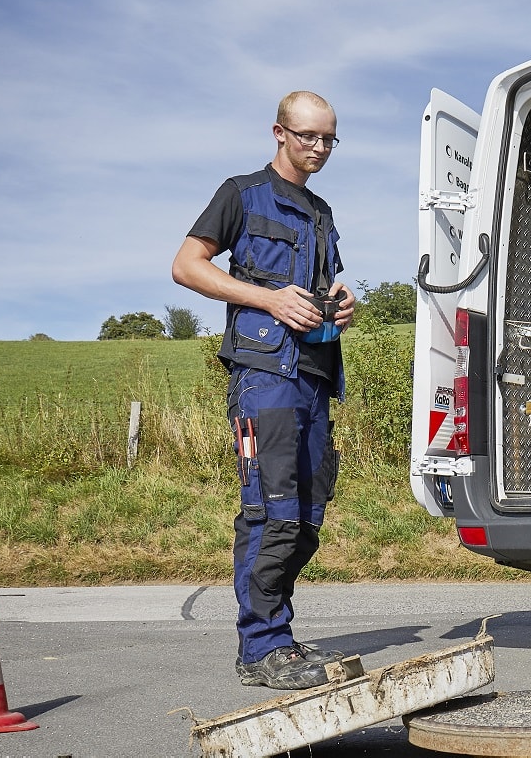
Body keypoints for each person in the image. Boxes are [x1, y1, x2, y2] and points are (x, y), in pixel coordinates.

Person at [172, 91, 356, 690]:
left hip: (313, 376)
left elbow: (320, 284)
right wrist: (268, 298)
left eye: (329, 138)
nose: (320, 148)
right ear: (279, 132)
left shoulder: (322, 212)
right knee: (270, 510)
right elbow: (187, 266)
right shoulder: (241, 194)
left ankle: (277, 635)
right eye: (308, 136)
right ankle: (261, 647)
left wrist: (343, 303)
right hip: (262, 376)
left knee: (306, 515)